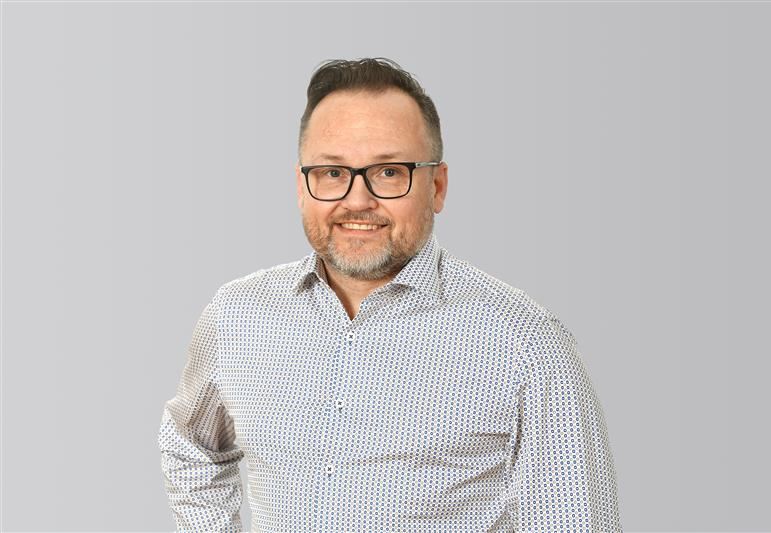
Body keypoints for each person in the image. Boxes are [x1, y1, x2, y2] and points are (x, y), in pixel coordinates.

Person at [158, 57, 621, 532]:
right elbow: (191, 447)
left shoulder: (526, 342)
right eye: (332, 173)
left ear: (437, 186)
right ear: (302, 185)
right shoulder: (237, 316)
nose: (357, 201)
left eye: (388, 172)